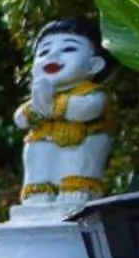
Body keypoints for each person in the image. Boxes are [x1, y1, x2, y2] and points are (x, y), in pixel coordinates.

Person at [15, 18, 113, 207]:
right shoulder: (40, 96)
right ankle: (39, 190)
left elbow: (86, 110)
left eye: (68, 49)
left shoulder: (92, 94)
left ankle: (79, 188)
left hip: (81, 141)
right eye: (44, 51)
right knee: (37, 151)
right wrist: (36, 109)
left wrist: (53, 107)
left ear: (94, 65)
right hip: (44, 140)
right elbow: (20, 119)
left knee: (78, 153)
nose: (53, 55)